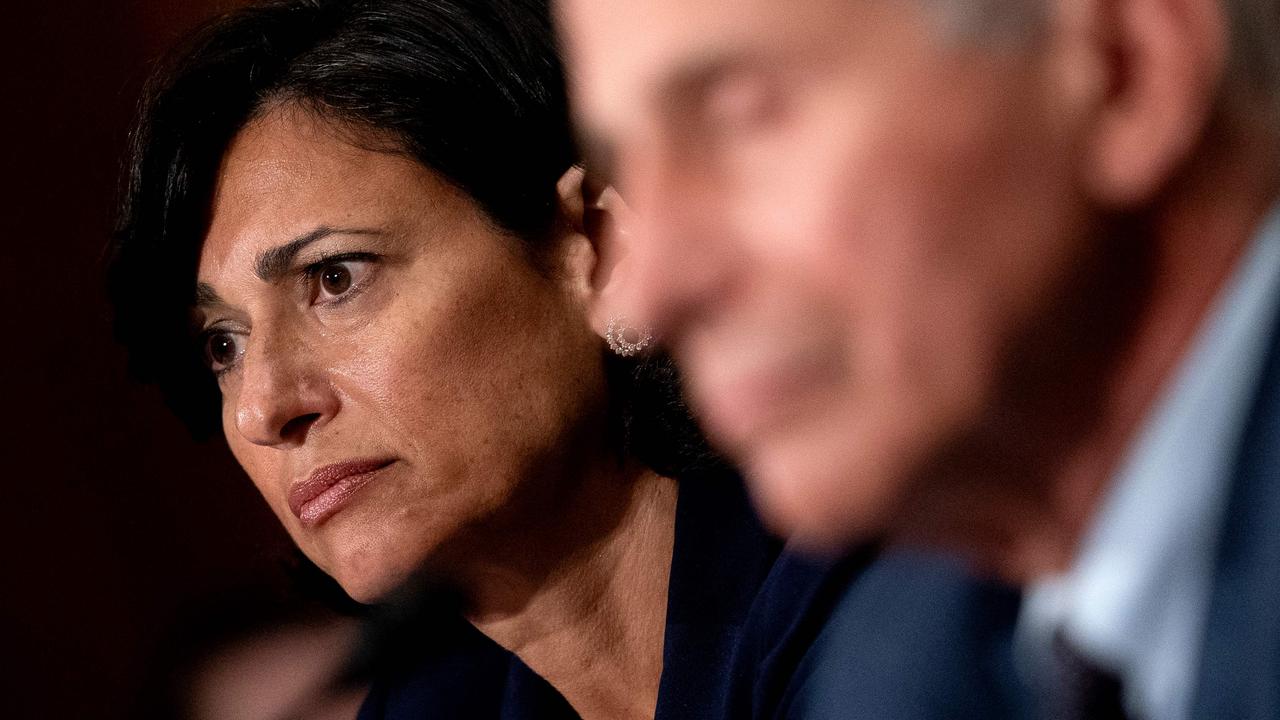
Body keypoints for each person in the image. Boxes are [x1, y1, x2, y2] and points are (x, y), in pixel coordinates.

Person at [108, 0, 873, 718]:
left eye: (335, 278)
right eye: (224, 345)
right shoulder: (432, 707)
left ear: (599, 254)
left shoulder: (875, 576)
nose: (262, 408)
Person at [557, 0, 1280, 717]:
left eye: (741, 115)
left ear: (1128, 69)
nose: (648, 296)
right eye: (622, 157)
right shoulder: (901, 666)